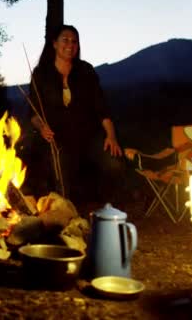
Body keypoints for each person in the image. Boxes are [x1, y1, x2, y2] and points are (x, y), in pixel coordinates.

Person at [27, 24, 124, 206]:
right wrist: (42, 128)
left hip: (89, 135)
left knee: (113, 162)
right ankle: (65, 213)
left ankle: (107, 211)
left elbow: (101, 107)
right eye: (65, 40)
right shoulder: (41, 74)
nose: (70, 45)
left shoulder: (86, 70)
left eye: (74, 41)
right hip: (57, 137)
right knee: (59, 162)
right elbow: (34, 113)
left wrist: (111, 136)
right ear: (54, 44)